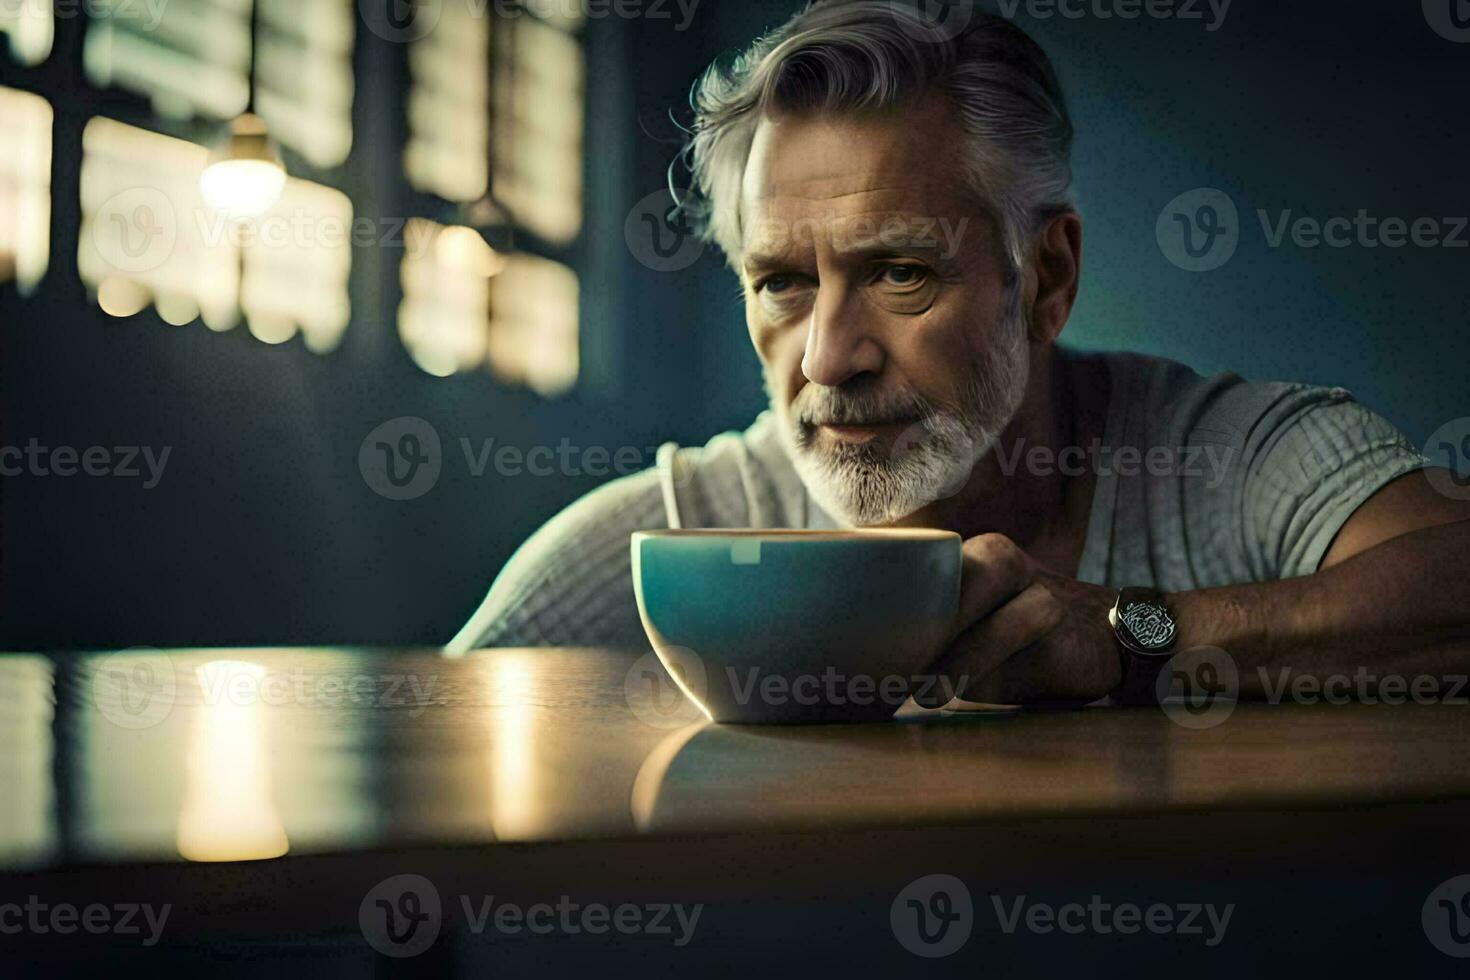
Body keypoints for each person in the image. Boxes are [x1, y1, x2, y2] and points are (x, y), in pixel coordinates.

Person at [450, 0, 1469, 706]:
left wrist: (1130, 634)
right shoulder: (670, 539)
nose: (825, 360)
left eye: (899, 272)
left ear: (1047, 278)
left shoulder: (1221, 460)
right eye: (782, 283)